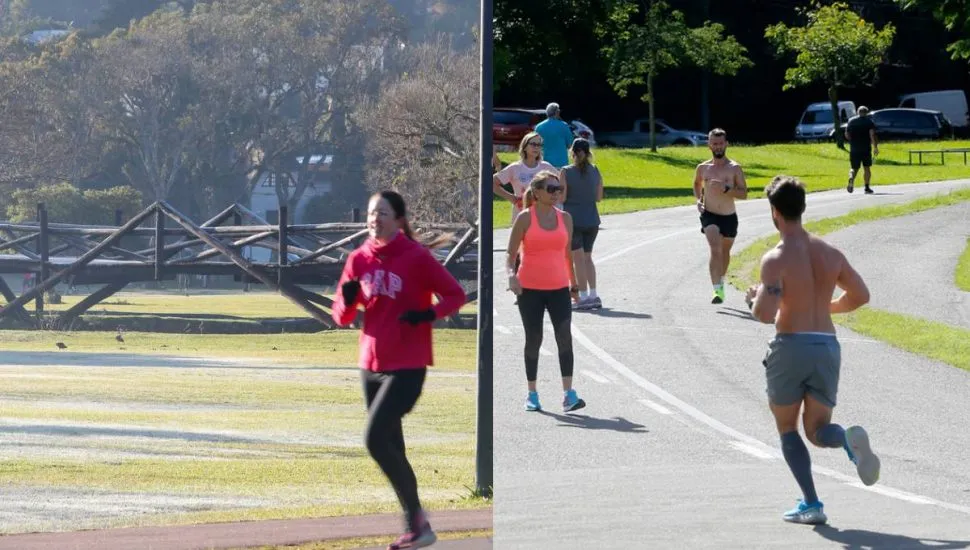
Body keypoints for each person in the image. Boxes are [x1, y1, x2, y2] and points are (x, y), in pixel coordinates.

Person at [332, 190, 466, 550]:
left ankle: (418, 522)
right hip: (371, 365)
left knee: (374, 439)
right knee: (393, 445)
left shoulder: (416, 257)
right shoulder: (359, 259)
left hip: (408, 366)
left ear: (399, 220)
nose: (376, 219)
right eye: (372, 213)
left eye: (384, 213)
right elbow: (342, 317)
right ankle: (417, 526)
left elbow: (456, 295)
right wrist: (346, 301)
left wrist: (428, 314)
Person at [745, 175, 880, 525]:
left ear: (774, 212)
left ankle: (812, 503)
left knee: (788, 429)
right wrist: (824, 306)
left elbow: (764, 314)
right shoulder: (830, 253)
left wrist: (753, 298)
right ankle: (848, 442)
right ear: (802, 209)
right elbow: (861, 296)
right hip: (826, 345)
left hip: (790, 346)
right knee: (819, 431)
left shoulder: (775, 258)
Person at [506, 170, 586, 413]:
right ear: (537, 192)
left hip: (559, 287)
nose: (556, 194)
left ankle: (568, 394)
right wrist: (511, 276)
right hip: (529, 288)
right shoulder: (525, 218)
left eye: (558, 189)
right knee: (534, 339)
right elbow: (510, 256)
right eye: (551, 189)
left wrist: (573, 285)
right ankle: (532, 393)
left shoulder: (565, 218)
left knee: (564, 337)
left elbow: (567, 255)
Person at [692, 128, 748, 304]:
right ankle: (717, 291)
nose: (717, 147)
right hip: (709, 215)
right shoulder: (703, 168)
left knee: (724, 252)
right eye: (714, 144)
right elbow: (696, 184)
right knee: (715, 248)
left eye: (720, 143)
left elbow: (744, 193)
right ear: (709, 145)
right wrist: (698, 200)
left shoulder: (734, 168)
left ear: (726, 144)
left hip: (729, 216)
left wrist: (726, 189)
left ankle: (721, 282)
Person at [560, 138, 603, 310]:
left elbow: (561, 197)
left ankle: (583, 296)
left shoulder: (565, 171)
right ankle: (593, 294)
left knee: (577, 259)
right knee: (587, 258)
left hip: (573, 220)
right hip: (592, 219)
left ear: (572, 152)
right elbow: (599, 197)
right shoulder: (595, 170)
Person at [493, 132, 559, 222]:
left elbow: (561, 184)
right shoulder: (515, 168)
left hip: (544, 218)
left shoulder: (546, 167)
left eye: (539, 145)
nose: (536, 147)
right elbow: (492, 183)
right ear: (524, 147)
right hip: (521, 216)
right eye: (533, 144)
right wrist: (511, 198)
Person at [844, 106, 879, 194]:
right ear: (866, 113)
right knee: (866, 168)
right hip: (866, 149)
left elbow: (847, 135)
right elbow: (872, 135)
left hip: (854, 149)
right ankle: (867, 187)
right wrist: (875, 147)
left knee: (854, 168)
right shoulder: (869, 122)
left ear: (857, 112)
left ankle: (851, 178)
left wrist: (852, 141)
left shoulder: (851, 121)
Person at [534, 102, 574, 170]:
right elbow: (570, 144)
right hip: (561, 163)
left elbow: (535, 145)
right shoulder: (564, 125)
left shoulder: (539, 127)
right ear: (557, 112)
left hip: (544, 163)